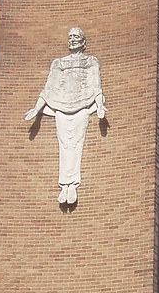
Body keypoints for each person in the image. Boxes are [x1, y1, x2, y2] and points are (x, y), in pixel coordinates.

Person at [24, 27, 106, 205]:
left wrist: (100, 106)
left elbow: (95, 85)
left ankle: (73, 184)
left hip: (83, 105)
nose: (72, 40)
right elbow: (49, 88)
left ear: (83, 41)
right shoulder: (58, 63)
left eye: (76, 37)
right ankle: (64, 185)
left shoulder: (90, 62)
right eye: (70, 37)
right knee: (64, 144)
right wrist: (36, 109)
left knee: (77, 143)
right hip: (61, 106)